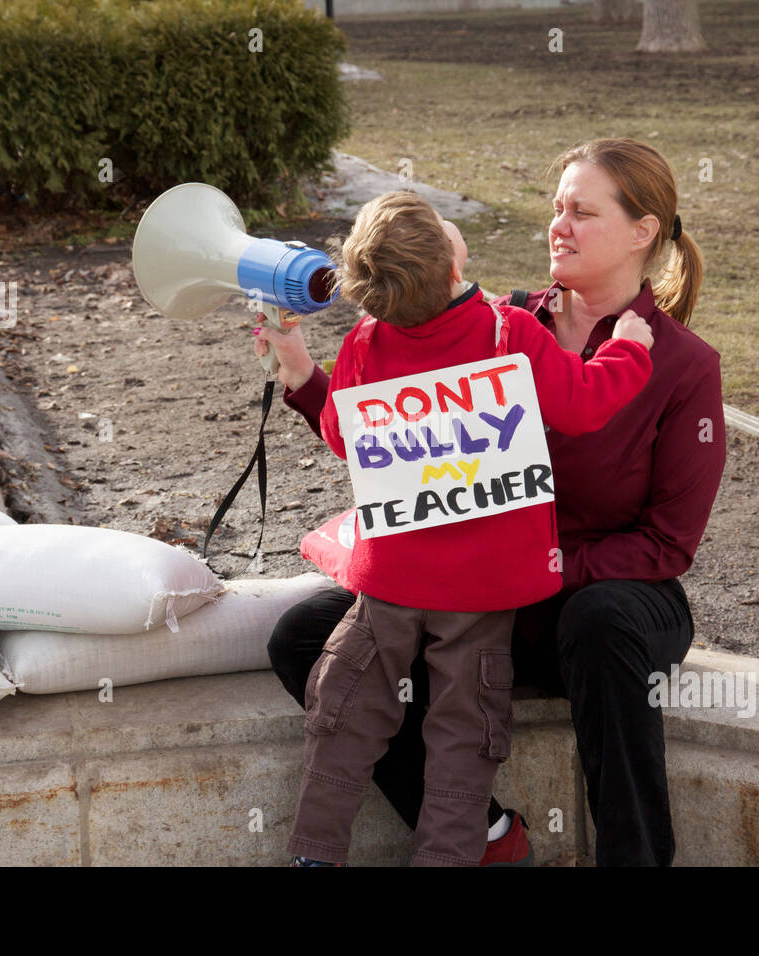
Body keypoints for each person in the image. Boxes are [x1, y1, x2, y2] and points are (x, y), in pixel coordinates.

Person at [258, 138, 725, 866]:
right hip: (479, 593)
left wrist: (536, 565)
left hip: (602, 597)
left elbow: (668, 545)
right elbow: (385, 421)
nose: (558, 225)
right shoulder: (500, 322)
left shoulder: (683, 365)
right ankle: (481, 834)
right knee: (303, 637)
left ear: (643, 231)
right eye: (556, 207)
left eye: (582, 212)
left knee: (602, 625)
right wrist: (303, 377)